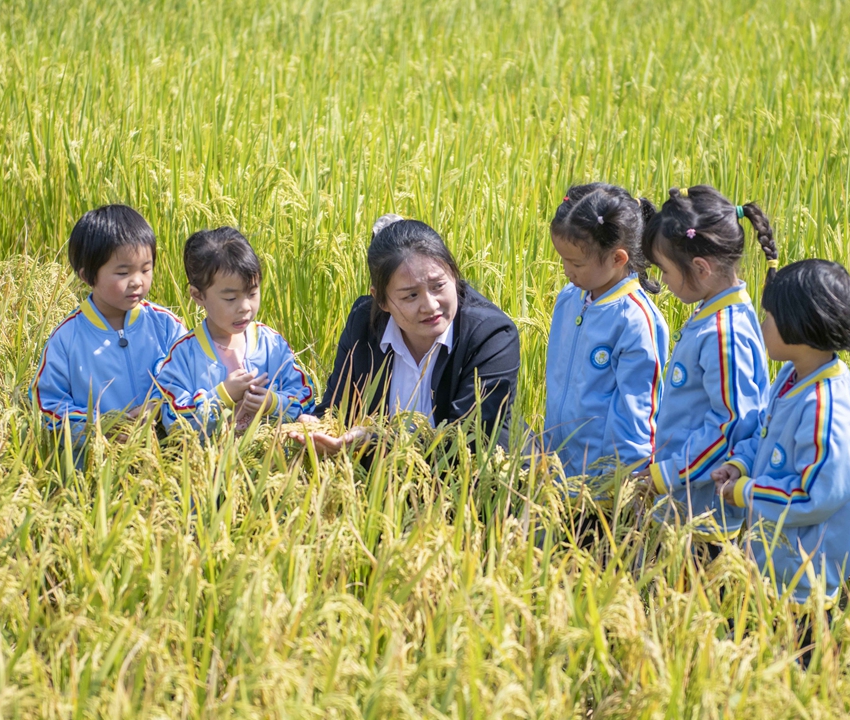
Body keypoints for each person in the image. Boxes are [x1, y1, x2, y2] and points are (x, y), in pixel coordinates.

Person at [713, 259, 850, 605]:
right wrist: (740, 464)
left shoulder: (826, 409)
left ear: (801, 327)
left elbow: (812, 494)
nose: (762, 323)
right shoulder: (791, 377)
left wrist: (747, 492)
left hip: (803, 585)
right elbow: (765, 436)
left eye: (769, 316)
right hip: (768, 567)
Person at [292, 215, 520, 454]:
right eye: (411, 295)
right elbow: (337, 408)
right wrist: (318, 427)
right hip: (386, 481)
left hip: (483, 482)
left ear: (453, 275)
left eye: (438, 286)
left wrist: (378, 440)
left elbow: (467, 441)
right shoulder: (363, 324)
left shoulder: (491, 335)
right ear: (380, 299)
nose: (430, 306)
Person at [639, 186, 773, 539]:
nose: (664, 283)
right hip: (682, 504)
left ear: (700, 268)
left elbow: (729, 427)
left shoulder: (723, 334)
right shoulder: (715, 314)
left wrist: (665, 475)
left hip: (701, 518)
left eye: (665, 272)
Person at [544, 183, 668, 483]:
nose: (566, 270)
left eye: (575, 263)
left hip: (602, 485)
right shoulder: (570, 298)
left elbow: (637, 414)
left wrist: (622, 488)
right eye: (562, 259)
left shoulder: (635, 321)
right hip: (555, 472)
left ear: (618, 259)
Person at [30, 205, 185, 445]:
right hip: (95, 467)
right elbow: (47, 405)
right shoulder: (67, 338)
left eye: (146, 269)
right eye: (123, 273)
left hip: (165, 460)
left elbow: (188, 376)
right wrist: (101, 428)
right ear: (88, 276)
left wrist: (155, 406)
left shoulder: (165, 326)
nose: (137, 282)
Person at [156, 227, 314, 434]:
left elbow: (307, 399)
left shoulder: (271, 345)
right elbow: (174, 422)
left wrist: (274, 403)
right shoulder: (184, 355)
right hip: (210, 464)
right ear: (198, 296)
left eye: (252, 293)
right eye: (231, 298)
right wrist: (222, 396)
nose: (245, 307)